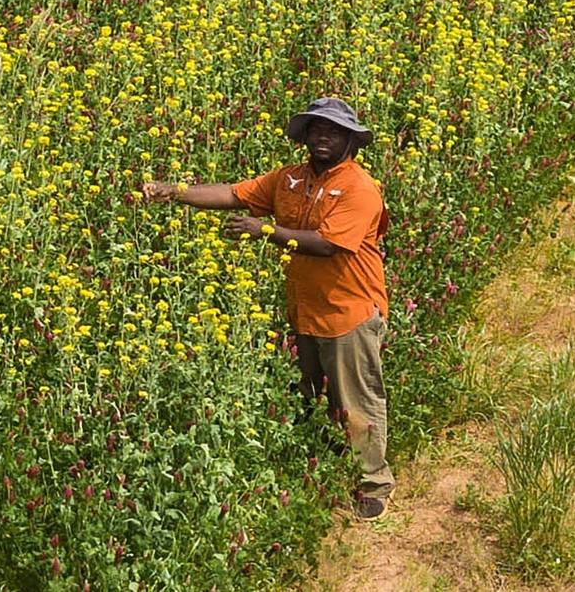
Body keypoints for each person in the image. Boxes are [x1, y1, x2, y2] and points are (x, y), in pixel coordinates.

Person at [141, 97, 394, 521]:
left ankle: (374, 484)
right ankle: (329, 471)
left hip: (348, 312)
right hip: (306, 310)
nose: (323, 137)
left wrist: (266, 230)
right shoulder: (289, 179)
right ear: (305, 137)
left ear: (351, 140)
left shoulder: (359, 188)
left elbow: (329, 244)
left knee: (356, 401)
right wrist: (176, 192)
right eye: (316, 130)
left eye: (333, 131)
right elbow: (236, 194)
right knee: (316, 398)